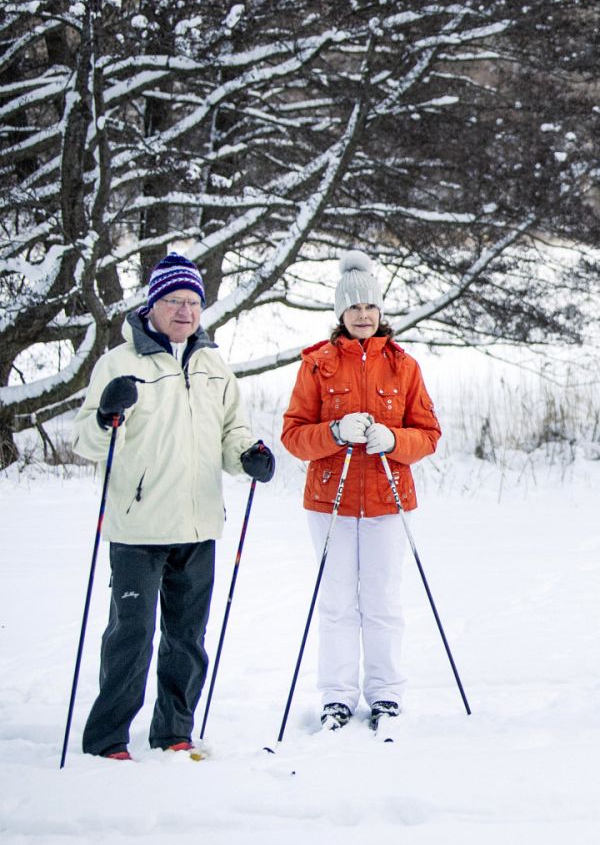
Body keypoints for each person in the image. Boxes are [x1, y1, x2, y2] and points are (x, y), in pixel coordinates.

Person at [71, 253, 275, 759]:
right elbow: (87, 441)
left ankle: (173, 731)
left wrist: (248, 455)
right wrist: (104, 417)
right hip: (138, 527)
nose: (184, 312)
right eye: (173, 301)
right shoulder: (118, 365)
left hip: (198, 523)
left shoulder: (213, 365)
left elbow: (232, 431)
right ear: (152, 305)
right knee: (131, 638)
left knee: (187, 638)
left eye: (192, 302)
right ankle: (106, 739)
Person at [281, 252, 441, 732]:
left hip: (388, 501)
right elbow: (293, 436)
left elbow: (429, 434)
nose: (364, 315)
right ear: (340, 314)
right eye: (354, 308)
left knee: (382, 600)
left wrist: (395, 441)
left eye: (370, 306)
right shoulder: (317, 366)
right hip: (330, 502)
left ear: (380, 310)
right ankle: (336, 696)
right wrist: (335, 432)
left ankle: (385, 694)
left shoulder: (404, 366)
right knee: (335, 603)